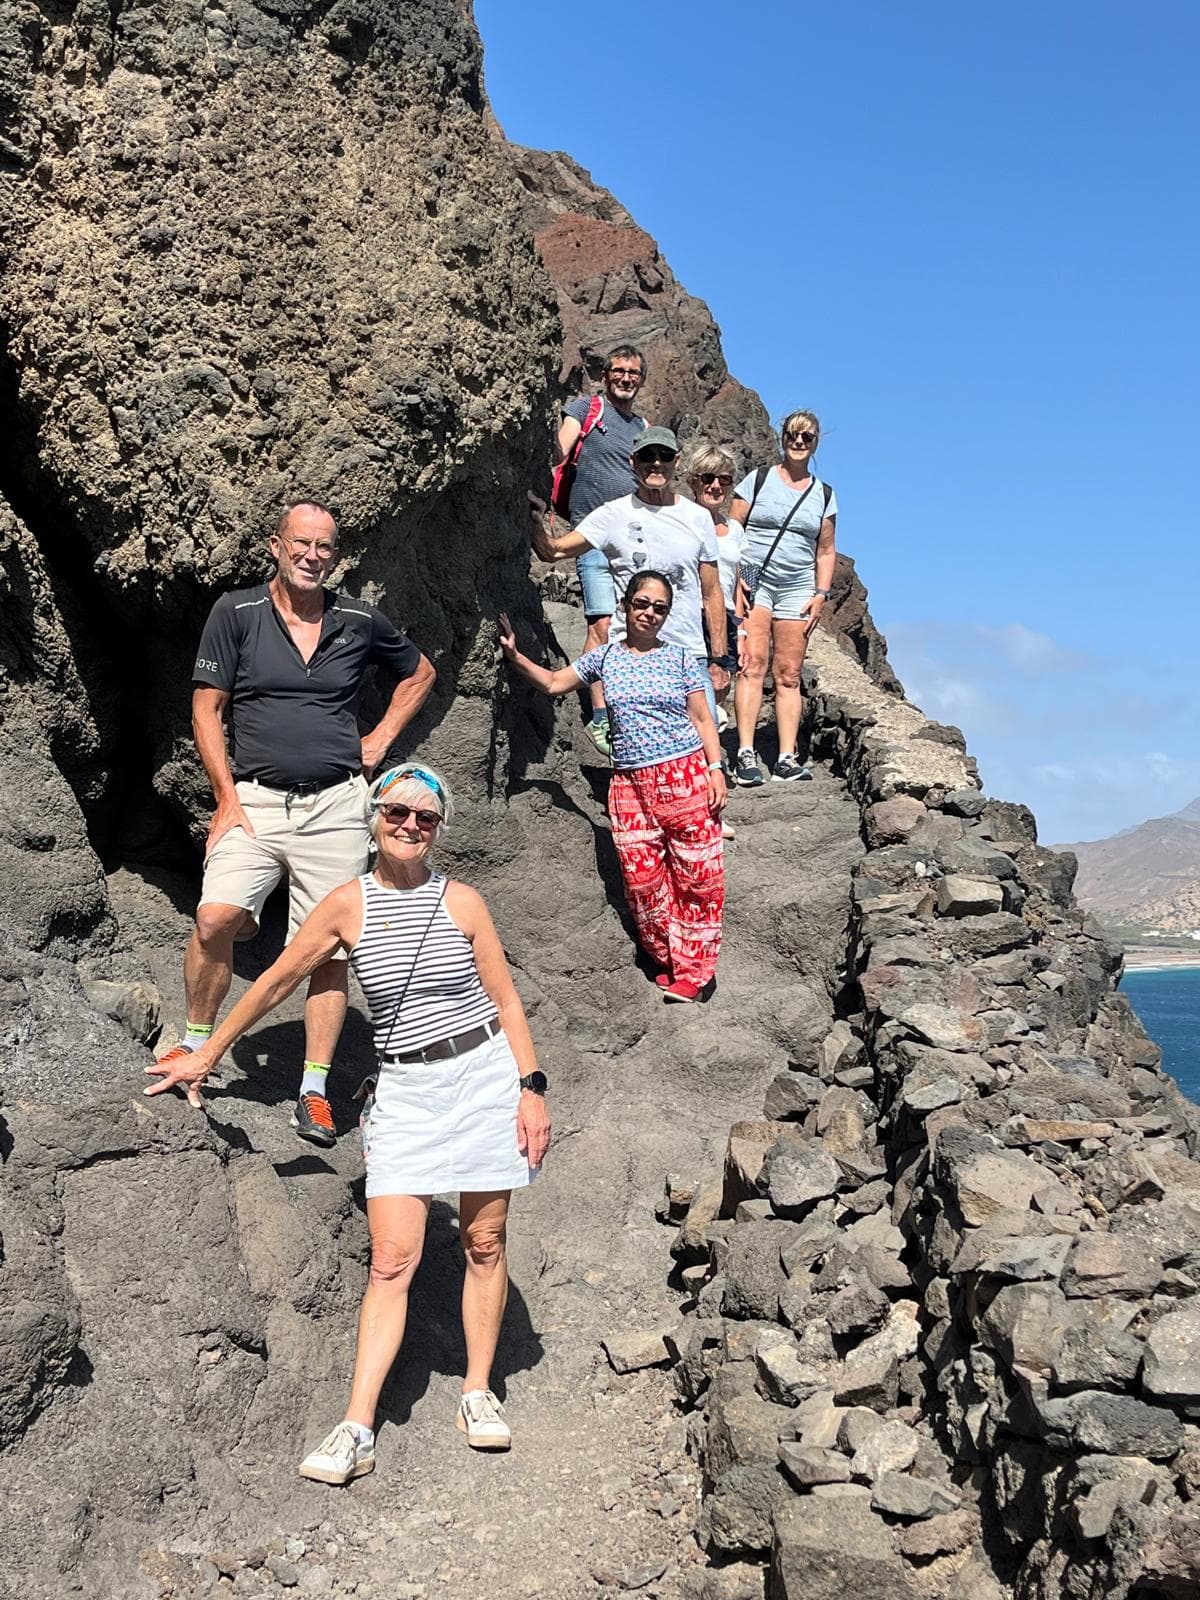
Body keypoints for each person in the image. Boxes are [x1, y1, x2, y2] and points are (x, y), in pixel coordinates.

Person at [146, 763, 552, 1483]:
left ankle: (478, 1392)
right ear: (374, 818)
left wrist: (531, 1088)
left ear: (439, 829)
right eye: (397, 812)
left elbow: (508, 1002)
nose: (409, 826)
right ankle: (356, 1426)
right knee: (392, 1259)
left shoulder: (464, 903)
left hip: (483, 1077)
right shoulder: (345, 904)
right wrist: (206, 1053)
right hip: (406, 1087)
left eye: (425, 819)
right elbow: (274, 982)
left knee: (485, 1239)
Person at [158, 502, 436, 1148]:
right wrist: (225, 799)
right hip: (253, 800)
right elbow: (206, 709)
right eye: (302, 544)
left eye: (325, 548)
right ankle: (195, 1041)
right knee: (214, 916)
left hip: (338, 805)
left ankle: (313, 1089)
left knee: (327, 951)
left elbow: (419, 672)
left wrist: (380, 739)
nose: (313, 556)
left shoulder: (358, 618)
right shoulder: (238, 612)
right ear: (276, 546)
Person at [499, 572, 726, 1002]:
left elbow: (702, 719)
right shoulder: (604, 659)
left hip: (685, 775)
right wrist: (515, 657)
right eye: (642, 603)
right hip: (628, 785)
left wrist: (716, 769)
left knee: (698, 876)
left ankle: (694, 974)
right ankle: (670, 959)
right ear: (625, 604)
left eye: (659, 607)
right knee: (642, 881)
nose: (650, 613)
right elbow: (552, 683)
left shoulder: (680, 659)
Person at [531, 426, 730, 726]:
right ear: (632, 462)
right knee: (637, 745)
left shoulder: (698, 517)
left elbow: (712, 592)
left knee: (703, 743)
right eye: (647, 456)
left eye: (664, 456)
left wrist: (718, 659)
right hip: (630, 656)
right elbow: (554, 551)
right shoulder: (613, 514)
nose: (657, 463)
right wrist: (535, 517)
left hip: (688, 653)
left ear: (676, 461)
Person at [729, 410, 837, 786]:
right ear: (782, 437)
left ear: (816, 442)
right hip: (754, 577)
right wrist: (736, 578)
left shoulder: (823, 494)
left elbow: (825, 550)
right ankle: (745, 752)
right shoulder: (758, 480)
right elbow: (732, 529)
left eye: (807, 436)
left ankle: (787, 757)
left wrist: (821, 593)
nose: (799, 442)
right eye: (793, 434)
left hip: (797, 585)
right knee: (752, 665)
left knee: (789, 674)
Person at [554, 345, 649, 756]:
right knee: (603, 625)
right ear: (606, 375)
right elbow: (559, 450)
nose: (626, 378)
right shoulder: (586, 408)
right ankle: (600, 716)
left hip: (632, 539)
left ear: (641, 379)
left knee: (634, 625)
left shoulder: (643, 426)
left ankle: (632, 706)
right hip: (592, 535)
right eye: (619, 371)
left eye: (633, 372)